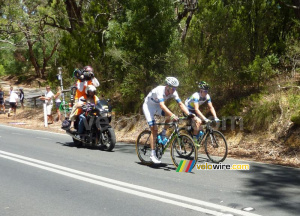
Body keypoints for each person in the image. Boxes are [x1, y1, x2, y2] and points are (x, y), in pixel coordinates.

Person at [142, 77, 191, 164]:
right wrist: (172, 115)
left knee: (169, 116)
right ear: (167, 86)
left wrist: (189, 114)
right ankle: (153, 155)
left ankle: (163, 133)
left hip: (156, 106)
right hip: (148, 106)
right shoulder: (159, 90)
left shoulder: (174, 92)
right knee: (154, 129)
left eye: (175, 88)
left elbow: (180, 103)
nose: (174, 90)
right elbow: (162, 106)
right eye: (172, 88)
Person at [69, 66, 100, 130]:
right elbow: (80, 89)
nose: (89, 73)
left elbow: (97, 85)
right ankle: (72, 124)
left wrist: (93, 77)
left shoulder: (91, 79)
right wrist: (82, 79)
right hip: (80, 97)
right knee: (77, 108)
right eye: (88, 72)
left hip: (90, 96)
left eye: (90, 72)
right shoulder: (80, 80)